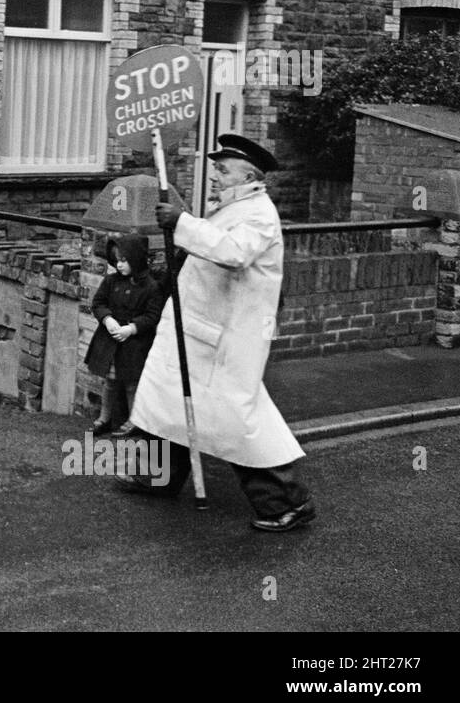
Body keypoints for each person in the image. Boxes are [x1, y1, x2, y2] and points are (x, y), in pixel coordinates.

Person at [120, 134, 316, 533]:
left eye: (223, 171)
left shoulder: (259, 214)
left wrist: (181, 222)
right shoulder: (232, 207)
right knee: (171, 404)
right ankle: (159, 477)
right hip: (200, 331)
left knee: (236, 421)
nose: (214, 177)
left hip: (227, 339)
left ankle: (288, 502)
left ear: (249, 177)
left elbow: (233, 253)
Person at [84, 235, 164, 437]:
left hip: (134, 344)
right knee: (110, 382)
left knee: (132, 383)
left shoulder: (151, 287)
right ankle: (104, 418)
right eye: (116, 261)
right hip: (111, 341)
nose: (119, 265)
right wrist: (107, 319)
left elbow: (152, 316)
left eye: (124, 261)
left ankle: (133, 420)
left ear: (136, 259)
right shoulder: (111, 281)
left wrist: (132, 328)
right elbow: (98, 303)